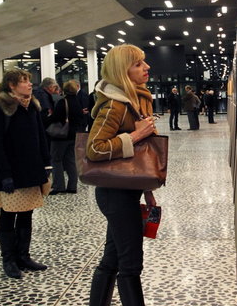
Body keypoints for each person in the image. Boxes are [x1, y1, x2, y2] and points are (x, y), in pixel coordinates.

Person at [86, 44, 157, 306]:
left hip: (126, 191)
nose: (146, 67)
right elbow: (94, 148)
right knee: (130, 264)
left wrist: (147, 188)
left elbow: (138, 154)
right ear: (122, 70)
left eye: (144, 62)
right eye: (138, 64)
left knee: (113, 258)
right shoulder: (116, 104)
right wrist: (137, 134)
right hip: (115, 193)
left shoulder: (135, 98)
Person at [0, 69, 52, 279]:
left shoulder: (32, 105)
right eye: (23, 82)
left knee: (27, 212)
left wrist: (46, 164)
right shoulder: (0, 108)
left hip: (31, 170)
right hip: (10, 172)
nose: (28, 85)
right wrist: (5, 173)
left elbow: (40, 136)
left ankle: (23, 256)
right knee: (8, 214)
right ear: (11, 86)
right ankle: (9, 260)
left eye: (28, 81)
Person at [48, 81, 86, 195]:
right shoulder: (77, 102)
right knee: (70, 160)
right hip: (74, 136)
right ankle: (72, 186)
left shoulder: (62, 102)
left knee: (56, 160)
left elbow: (55, 118)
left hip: (61, 136)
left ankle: (59, 186)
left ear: (64, 90)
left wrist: (47, 118)